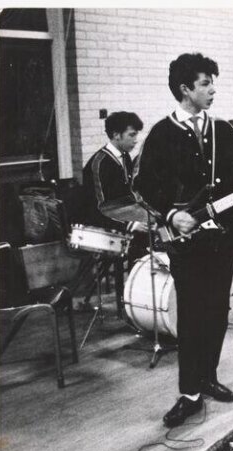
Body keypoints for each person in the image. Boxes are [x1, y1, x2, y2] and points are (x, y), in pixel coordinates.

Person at [134, 53, 233, 428]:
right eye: (205, 83)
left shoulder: (222, 131)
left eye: (212, 82)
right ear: (185, 89)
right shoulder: (162, 133)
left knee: (218, 312)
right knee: (191, 315)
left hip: (222, 241)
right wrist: (172, 216)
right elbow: (144, 186)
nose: (212, 89)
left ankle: (208, 376)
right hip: (185, 242)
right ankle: (189, 392)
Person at [81, 111, 146, 316]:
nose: (136, 140)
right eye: (132, 135)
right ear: (116, 135)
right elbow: (99, 209)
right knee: (144, 237)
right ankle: (133, 301)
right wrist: (132, 225)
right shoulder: (99, 163)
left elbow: (129, 198)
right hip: (100, 222)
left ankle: (142, 295)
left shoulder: (125, 157)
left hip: (122, 217)